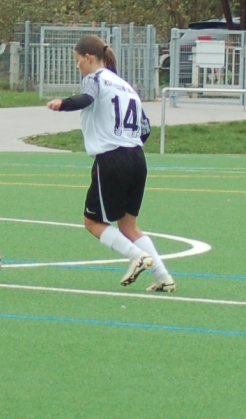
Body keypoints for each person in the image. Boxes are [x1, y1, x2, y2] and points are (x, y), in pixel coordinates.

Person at [46, 34, 176, 294]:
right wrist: (128, 144)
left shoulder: (95, 78)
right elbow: (145, 128)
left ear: (88, 58)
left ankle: (136, 256)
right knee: (129, 226)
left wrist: (63, 104)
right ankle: (163, 276)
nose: (77, 66)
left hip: (111, 158)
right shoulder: (126, 86)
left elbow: (87, 99)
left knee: (92, 222)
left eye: (77, 60)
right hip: (137, 158)